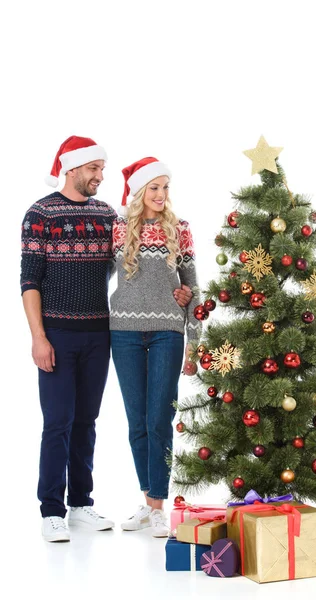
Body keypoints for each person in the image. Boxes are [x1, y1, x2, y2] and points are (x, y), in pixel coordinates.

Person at [20, 138, 192, 542]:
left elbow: (130, 269)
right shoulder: (40, 213)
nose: (100, 175)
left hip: (101, 332)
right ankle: (51, 510)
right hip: (58, 332)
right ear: (72, 168)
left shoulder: (107, 217)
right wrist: (38, 337)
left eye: (102, 168)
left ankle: (81, 503)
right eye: (94, 168)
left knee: (87, 421)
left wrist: (176, 292)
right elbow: (29, 280)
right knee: (57, 422)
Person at [110, 157, 201, 537]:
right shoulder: (118, 230)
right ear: (139, 192)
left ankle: (159, 506)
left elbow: (193, 287)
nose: (162, 195)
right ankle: (148, 502)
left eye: (165, 187)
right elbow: (98, 278)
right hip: (123, 332)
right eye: (154, 188)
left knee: (158, 420)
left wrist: (194, 342)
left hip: (167, 331)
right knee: (136, 422)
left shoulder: (180, 230)